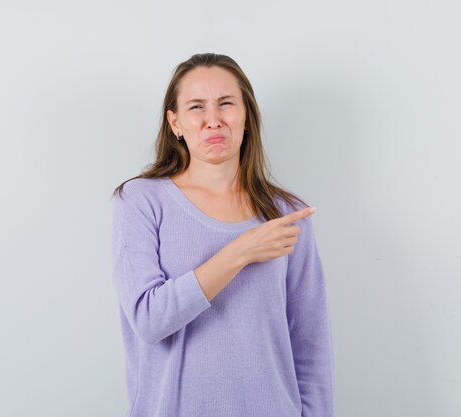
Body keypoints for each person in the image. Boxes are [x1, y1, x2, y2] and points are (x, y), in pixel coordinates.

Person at [110, 52, 334, 417]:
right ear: (175, 123)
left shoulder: (287, 215)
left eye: (226, 104)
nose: (213, 121)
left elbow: (311, 344)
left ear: (247, 117)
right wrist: (241, 251)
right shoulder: (139, 201)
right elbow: (149, 320)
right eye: (196, 107)